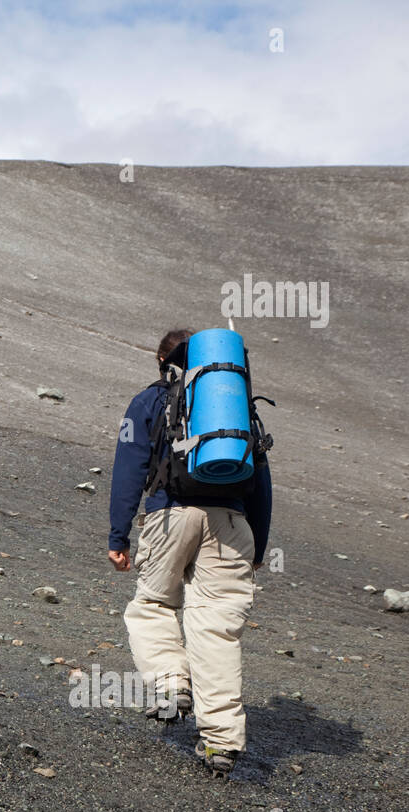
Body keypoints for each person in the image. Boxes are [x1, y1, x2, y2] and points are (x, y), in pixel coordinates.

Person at [107, 329, 272, 777]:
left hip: (170, 515)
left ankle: (170, 685)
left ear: (164, 359)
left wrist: (117, 537)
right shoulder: (236, 407)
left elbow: (129, 469)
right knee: (216, 629)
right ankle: (221, 743)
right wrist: (259, 542)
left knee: (154, 605)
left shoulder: (151, 402)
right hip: (233, 523)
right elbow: (262, 479)